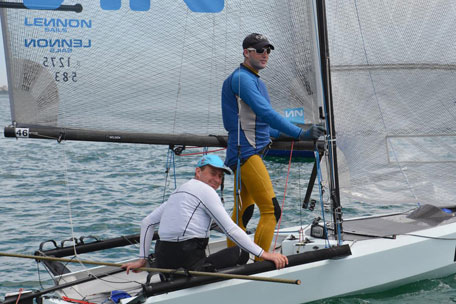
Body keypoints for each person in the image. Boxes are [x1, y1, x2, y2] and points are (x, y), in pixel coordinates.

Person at [221, 33, 325, 255]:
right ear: (246, 52)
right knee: (271, 211)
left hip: (247, 153)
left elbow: (265, 127)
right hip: (245, 153)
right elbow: (265, 113)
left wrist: (295, 134)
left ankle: (233, 259)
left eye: (267, 50)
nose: (265, 55)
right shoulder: (241, 79)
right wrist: (300, 132)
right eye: (259, 50)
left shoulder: (255, 80)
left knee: (244, 211)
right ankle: (261, 262)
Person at [122, 154, 288, 275]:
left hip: (164, 261)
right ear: (198, 172)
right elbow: (230, 229)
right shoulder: (205, 190)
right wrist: (264, 254)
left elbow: (148, 222)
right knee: (241, 252)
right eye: (212, 173)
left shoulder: (179, 191)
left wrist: (142, 259)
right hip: (187, 262)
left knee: (236, 242)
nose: (217, 180)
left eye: (220, 176)